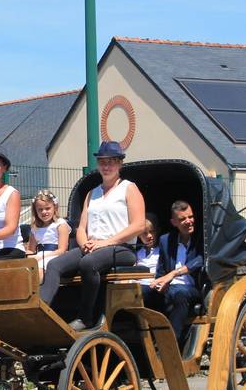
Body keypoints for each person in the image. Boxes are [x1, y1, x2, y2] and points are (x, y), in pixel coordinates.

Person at [40, 141, 145, 331]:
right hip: (92, 247)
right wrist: (84, 243)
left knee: (87, 264)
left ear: (120, 164)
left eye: (111, 162)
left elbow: (138, 225)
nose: (106, 166)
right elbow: (81, 228)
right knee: (54, 265)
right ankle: (41, 311)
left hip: (121, 248)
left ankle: (86, 317)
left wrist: (106, 242)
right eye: (102, 162)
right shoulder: (92, 193)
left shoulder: (129, 188)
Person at [151, 200, 204, 348]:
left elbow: (201, 260)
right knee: (143, 293)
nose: (189, 221)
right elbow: (161, 271)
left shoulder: (202, 238)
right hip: (170, 288)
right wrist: (159, 283)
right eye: (182, 219)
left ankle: (170, 346)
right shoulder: (165, 240)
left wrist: (174, 273)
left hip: (192, 288)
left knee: (180, 294)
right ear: (174, 222)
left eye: (190, 217)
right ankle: (143, 343)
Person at [27, 189, 71, 281]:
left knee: (40, 270)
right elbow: (30, 250)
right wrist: (30, 257)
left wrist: (41, 257)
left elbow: (62, 250)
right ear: (35, 211)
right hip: (38, 257)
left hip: (54, 256)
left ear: (54, 207)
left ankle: (41, 293)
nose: (44, 212)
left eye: (47, 208)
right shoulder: (35, 228)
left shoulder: (60, 224)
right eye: (40, 209)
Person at [135, 212, 163, 310]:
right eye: (145, 233)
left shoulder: (161, 251)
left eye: (152, 231)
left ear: (158, 231)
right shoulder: (137, 253)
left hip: (153, 287)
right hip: (137, 286)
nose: (149, 236)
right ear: (139, 235)